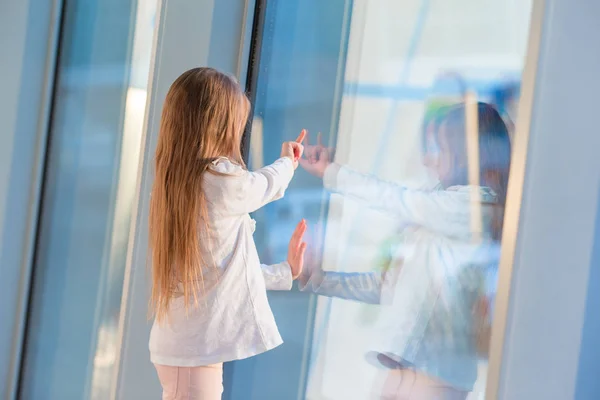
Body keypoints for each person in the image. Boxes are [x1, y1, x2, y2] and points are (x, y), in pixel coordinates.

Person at [299, 102, 511, 399]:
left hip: (433, 380)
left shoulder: (473, 209)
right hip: (403, 373)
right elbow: (391, 286)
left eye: (439, 149)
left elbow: (396, 200)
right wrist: (320, 279)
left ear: (467, 154)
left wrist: (331, 173)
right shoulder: (442, 209)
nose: (428, 160)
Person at [147, 67, 308, 400]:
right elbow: (261, 186)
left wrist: (286, 272)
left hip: (189, 352)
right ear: (217, 125)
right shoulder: (215, 179)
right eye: (236, 123)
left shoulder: (181, 185)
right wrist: (287, 163)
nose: (238, 132)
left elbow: (227, 272)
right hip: (191, 356)